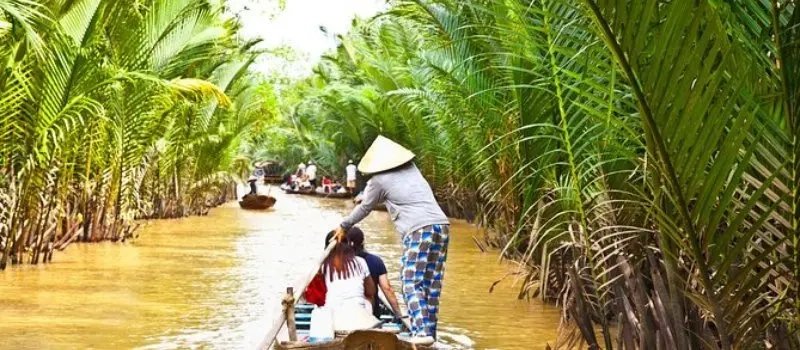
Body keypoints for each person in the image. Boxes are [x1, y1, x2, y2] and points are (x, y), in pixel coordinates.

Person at [333, 135, 449, 345]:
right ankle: (431, 335)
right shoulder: (413, 169)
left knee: (410, 281)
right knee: (431, 284)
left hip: (419, 229)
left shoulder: (378, 180)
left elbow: (365, 207)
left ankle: (422, 333)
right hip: (441, 226)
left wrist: (344, 225)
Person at [320, 230, 381, 332]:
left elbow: (315, 295)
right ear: (349, 245)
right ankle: (369, 320)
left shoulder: (323, 265)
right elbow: (371, 291)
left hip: (333, 315)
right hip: (359, 315)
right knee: (369, 296)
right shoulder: (360, 261)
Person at [345, 227, 402, 320]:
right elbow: (387, 289)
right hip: (372, 313)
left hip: (344, 312)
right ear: (362, 242)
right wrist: (398, 314)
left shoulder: (337, 262)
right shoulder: (376, 261)